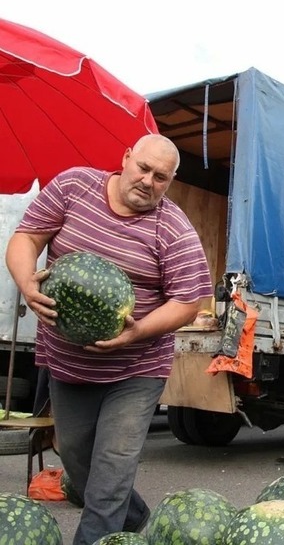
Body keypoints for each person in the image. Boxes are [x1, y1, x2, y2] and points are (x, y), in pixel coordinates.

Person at [5, 134, 213, 545]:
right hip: (68, 364)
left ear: (168, 182)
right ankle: (133, 516)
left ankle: (96, 536)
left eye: (161, 177)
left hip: (136, 369)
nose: (148, 181)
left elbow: (188, 301)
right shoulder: (73, 186)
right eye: (143, 168)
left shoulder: (172, 227)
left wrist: (136, 330)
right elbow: (26, 238)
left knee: (113, 466)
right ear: (126, 158)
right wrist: (27, 282)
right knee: (77, 461)